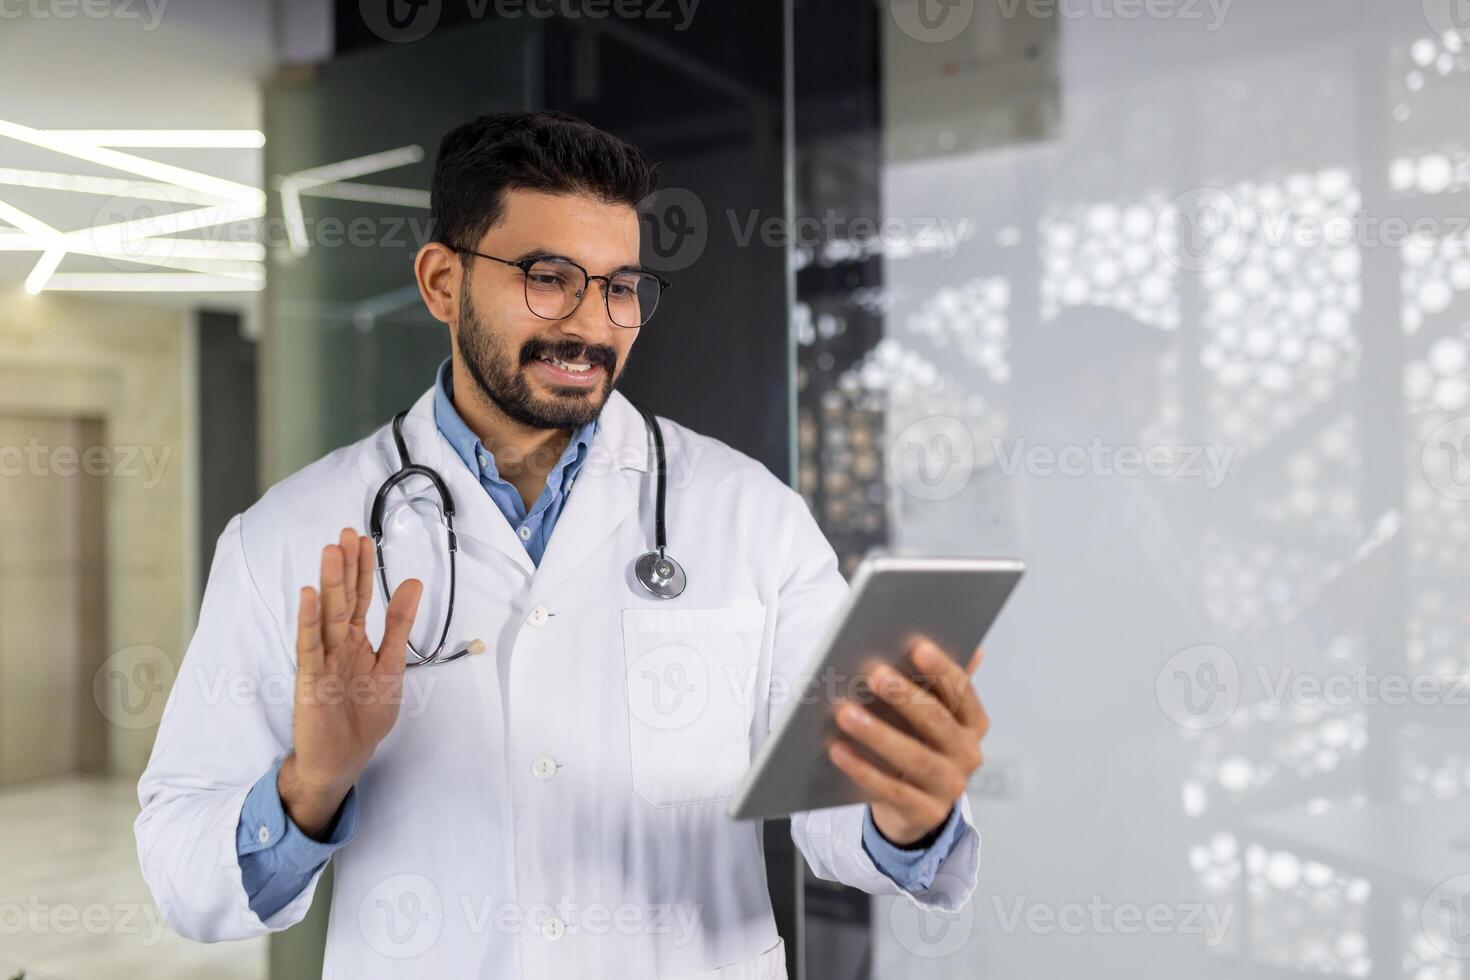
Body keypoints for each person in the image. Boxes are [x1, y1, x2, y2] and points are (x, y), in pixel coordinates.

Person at [135, 110, 989, 978]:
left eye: (621, 286)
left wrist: (906, 810)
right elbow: (180, 865)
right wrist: (310, 786)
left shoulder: (748, 514)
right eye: (549, 277)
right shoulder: (289, 536)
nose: (592, 325)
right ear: (440, 282)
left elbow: (834, 804)